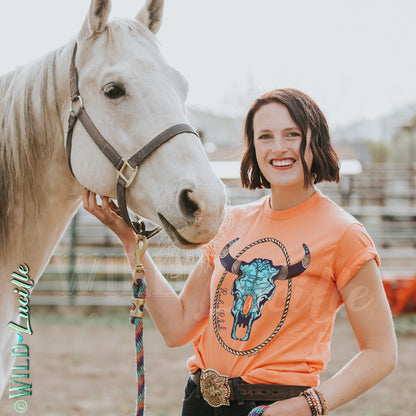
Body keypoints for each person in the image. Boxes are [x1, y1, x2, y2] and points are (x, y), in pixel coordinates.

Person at [83, 88, 397, 416]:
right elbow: (178, 326)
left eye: (292, 134)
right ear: (253, 147)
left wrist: (306, 407)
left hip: (279, 409)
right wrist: (131, 242)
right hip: (200, 402)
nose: (279, 148)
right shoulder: (231, 225)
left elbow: (380, 353)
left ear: (314, 140)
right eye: (265, 136)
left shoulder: (344, 234)